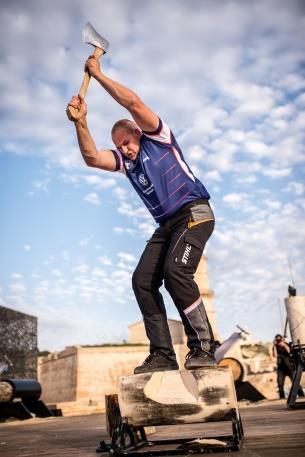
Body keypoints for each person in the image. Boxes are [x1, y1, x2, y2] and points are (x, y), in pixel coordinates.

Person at [66, 55, 216, 374]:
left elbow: (133, 102)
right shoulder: (127, 164)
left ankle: (203, 345)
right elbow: (92, 157)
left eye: (126, 142)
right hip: (167, 226)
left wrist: (99, 75)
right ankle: (162, 354)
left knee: (176, 272)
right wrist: (81, 122)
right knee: (142, 280)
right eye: (119, 147)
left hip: (195, 212)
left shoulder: (157, 137)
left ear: (136, 132)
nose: (125, 150)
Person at [272, 334, 304, 399]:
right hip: (281, 368)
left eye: (280, 339)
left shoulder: (286, 344)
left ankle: (302, 396)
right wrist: (275, 346)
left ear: (282, 339)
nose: (279, 341)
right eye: (277, 340)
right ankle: (282, 398)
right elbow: (275, 356)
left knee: (295, 382)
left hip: (290, 367)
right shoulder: (275, 347)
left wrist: (284, 345)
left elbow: (289, 352)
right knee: (280, 384)